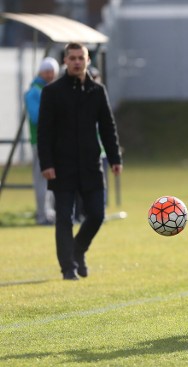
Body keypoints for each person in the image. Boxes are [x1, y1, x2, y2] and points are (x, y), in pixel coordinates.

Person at [38, 42, 123, 281]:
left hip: (90, 166)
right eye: (72, 58)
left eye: (81, 57)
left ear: (87, 60)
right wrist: (46, 163)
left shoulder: (97, 91)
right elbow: (44, 131)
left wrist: (115, 157)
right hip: (61, 168)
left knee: (96, 215)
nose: (77, 62)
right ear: (65, 61)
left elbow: (107, 127)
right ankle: (68, 268)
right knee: (64, 217)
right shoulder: (52, 92)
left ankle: (78, 249)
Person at [25, 57, 59, 225]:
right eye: (47, 70)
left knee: (53, 178)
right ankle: (42, 214)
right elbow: (36, 116)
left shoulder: (53, 89)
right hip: (40, 141)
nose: (50, 74)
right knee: (42, 178)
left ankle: (51, 213)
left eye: (52, 71)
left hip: (54, 141)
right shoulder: (34, 92)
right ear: (40, 72)